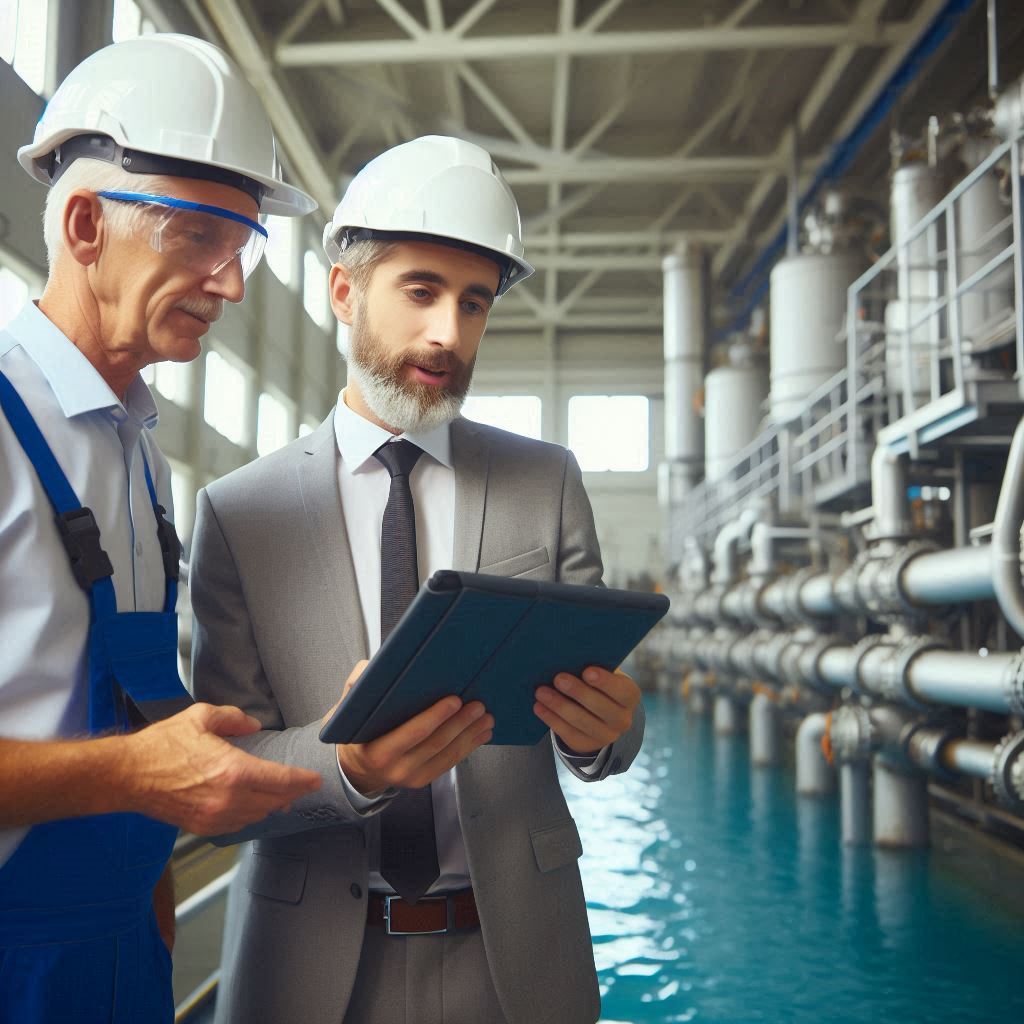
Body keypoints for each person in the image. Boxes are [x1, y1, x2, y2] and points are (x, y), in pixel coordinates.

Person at [190, 135, 645, 1024]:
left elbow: (609, 736)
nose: (449, 333)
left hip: (514, 958)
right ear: (343, 291)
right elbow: (222, 777)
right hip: (307, 970)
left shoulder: (545, 483)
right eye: (422, 292)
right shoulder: (240, 515)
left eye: (474, 304)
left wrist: (605, 733)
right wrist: (347, 765)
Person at [0, 34, 324, 1022]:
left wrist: (152, 931)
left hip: (121, 957)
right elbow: (134, 763)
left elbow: (131, 715)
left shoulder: (141, 446)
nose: (232, 284)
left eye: (244, 247)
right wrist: (136, 772)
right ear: (86, 222)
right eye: (200, 238)